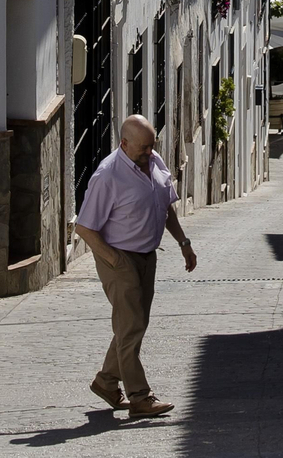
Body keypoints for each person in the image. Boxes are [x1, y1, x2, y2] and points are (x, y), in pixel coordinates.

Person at [74, 114, 197, 418]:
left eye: (151, 146)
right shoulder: (108, 176)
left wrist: (183, 242)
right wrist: (114, 260)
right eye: (142, 148)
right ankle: (140, 398)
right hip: (119, 257)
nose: (149, 152)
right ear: (123, 143)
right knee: (131, 326)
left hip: (147, 255)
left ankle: (105, 382)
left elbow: (164, 205)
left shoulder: (154, 161)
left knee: (134, 324)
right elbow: (85, 227)